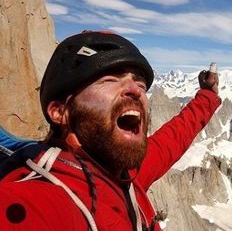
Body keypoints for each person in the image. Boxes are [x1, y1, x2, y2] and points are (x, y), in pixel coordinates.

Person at [0, 31, 220, 231]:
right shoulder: (42, 201)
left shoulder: (124, 174)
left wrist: (207, 96)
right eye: (110, 80)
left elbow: (171, 140)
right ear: (60, 112)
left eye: (140, 84)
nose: (135, 90)